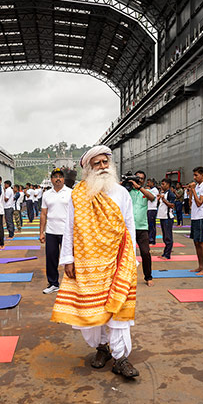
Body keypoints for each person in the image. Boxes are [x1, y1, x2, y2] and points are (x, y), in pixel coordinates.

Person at [52, 146, 139, 378]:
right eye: (97, 163)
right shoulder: (78, 194)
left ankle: (121, 357)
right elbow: (69, 228)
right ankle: (102, 349)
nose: (102, 167)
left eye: (105, 162)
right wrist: (67, 259)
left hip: (118, 260)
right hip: (87, 262)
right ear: (89, 168)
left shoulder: (121, 193)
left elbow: (129, 227)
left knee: (117, 306)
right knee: (92, 307)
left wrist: (132, 258)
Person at [40, 169, 72, 294]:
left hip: (67, 231)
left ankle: (70, 284)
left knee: (69, 259)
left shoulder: (71, 193)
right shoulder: (47, 194)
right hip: (51, 231)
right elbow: (43, 214)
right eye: (55, 177)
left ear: (64, 179)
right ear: (51, 179)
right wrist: (41, 232)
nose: (58, 179)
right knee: (51, 258)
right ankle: (53, 283)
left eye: (60, 177)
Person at [127, 171, 155, 286]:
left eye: (141, 179)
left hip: (142, 227)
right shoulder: (126, 191)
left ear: (144, 181)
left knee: (145, 253)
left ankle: (148, 277)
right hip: (128, 227)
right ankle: (125, 278)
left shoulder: (145, 192)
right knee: (126, 254)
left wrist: (139, 188)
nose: (139, 180)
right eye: (137, 178)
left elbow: (152, 198)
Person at [188, 166, 203, 275]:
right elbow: (191, 203)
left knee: (201, 243)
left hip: (201, 217)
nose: (194, 178)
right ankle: (200, 266)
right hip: (194, 217)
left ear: (202, 175)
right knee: (196, 242)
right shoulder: (197, 187)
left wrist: (193, 190)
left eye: (196, 175)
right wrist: (191, 191)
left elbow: (199, 203)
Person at [157, 178, 176, 259]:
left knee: (168, 236)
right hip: (162, 216)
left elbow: (172, 205)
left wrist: (163, 199)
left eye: (163, 184)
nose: (162, 186)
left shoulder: (170, 194)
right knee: (165, 236)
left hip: (167, 217)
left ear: (168, 185)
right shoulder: (163, 193)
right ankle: (165, 252)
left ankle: (167, 254)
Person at [145, 178, 159, 244]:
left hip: (152, 209)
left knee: (152, 225)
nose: (147, 184)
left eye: (149, 182)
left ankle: (152, 239)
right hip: (149, 209)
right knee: (149, 224)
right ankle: (150, 238)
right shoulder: (151, 190)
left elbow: (151, 198)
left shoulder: (154, 190)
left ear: (152, 183)